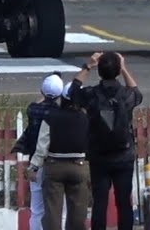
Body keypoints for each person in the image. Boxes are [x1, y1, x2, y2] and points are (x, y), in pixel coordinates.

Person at [69, 52, 143, 230]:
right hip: (123, 155)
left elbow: (72, 92)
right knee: (124, 202)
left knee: (99, 203)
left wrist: (88, 65)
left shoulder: (92, 95)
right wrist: (123, 67)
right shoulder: (125, 95)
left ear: (99, 72)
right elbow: (137, 94)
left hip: (99, 156)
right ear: (117, 72)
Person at [31, 81, 92, 230]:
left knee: (52, 211)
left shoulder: (51, 117)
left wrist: (34, 166)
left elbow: (42, 145)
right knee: (78, 211)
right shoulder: (87, 119)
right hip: (79, 165)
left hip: (54, 165)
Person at [14, 74, 66, 230]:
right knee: (60, 207)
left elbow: (39, 102)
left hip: (35, 163)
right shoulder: (59, 113)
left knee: (37, 209)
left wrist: (45, 93)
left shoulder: (32, 109)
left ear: (42, 92)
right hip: (54, 162)